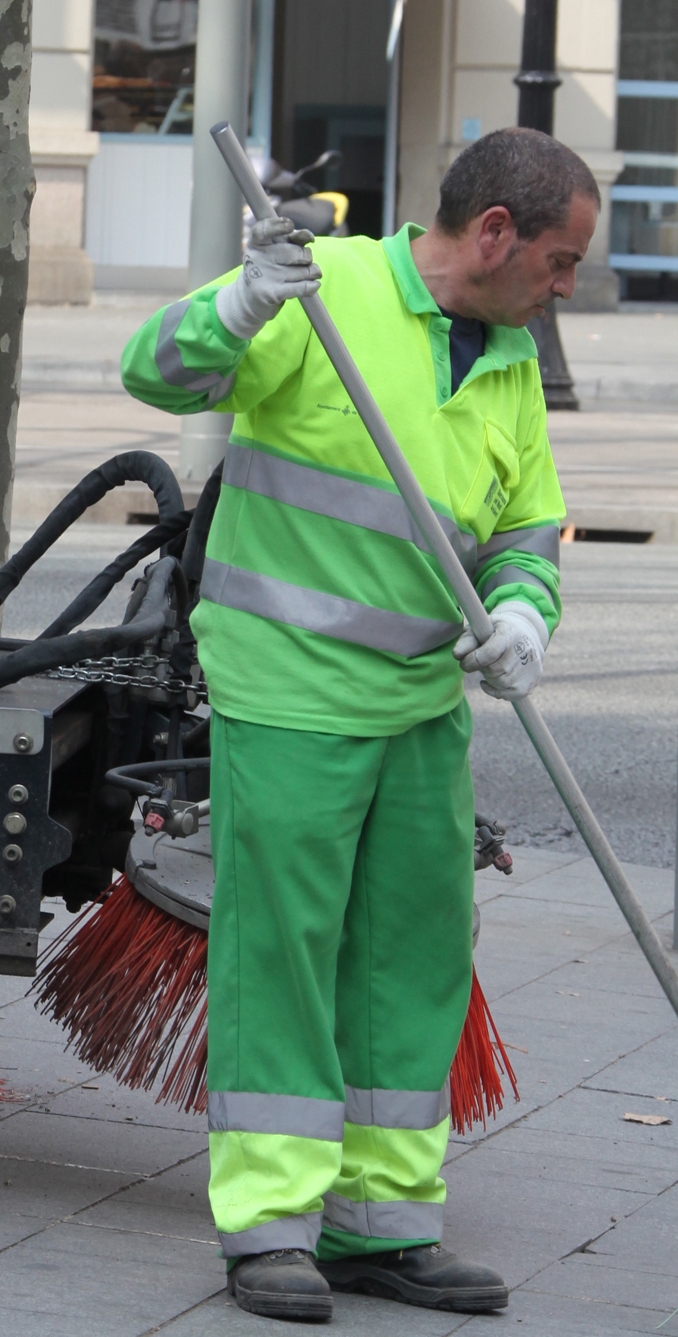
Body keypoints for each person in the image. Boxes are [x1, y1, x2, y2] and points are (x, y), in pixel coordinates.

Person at [121, 126, 597, 1322]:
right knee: (285, 958)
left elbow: (527, 527)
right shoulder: (320, 294)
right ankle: (270, 1227)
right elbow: (154, 371)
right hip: (288, 691)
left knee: (413, 958)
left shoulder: (502, 361)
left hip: (419, 704)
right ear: (494, 234)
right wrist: (236, 305)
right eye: (559, 258)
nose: (567, 285)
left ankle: (383, 1222)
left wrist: (522, 617)